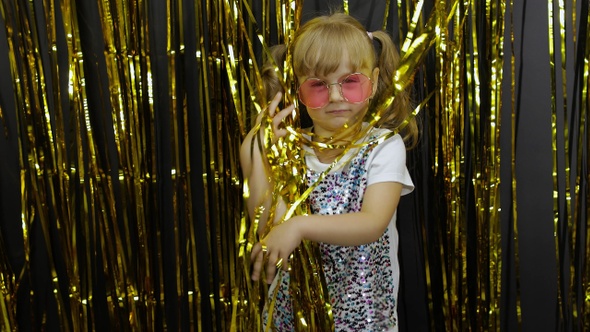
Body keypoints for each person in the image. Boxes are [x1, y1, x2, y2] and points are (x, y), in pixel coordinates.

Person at [240, 12, 419, 332]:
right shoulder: (290, 152)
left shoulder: (384, 146)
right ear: (297, 91)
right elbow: (269, 228)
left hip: (364, 321)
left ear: (374, 82)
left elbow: (371, 223)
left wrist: (300, 226)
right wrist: (253, 156)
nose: (336, 96)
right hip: (291, 319)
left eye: (350, 82)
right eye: (318, 86)